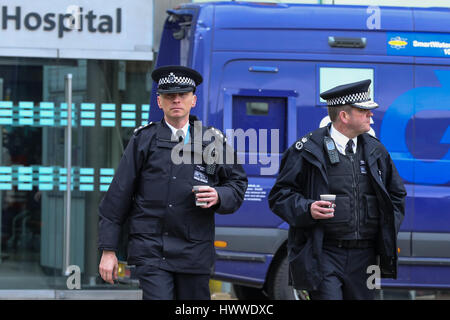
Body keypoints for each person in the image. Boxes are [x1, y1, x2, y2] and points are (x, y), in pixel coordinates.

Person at [98, 65, 248, 300]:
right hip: (152, 250)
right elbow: (117, 197)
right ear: (160, 102)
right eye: (169, 96)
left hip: (194, 250)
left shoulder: (212, 141)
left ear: (193, 100)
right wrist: (108, 250)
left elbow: (237, 184)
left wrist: (219, 195)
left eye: (182, 95)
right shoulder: (143, 140)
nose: (176, 100)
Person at [268, 79, 406, 300]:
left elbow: (397, 194)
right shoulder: (306, 150)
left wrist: (387, 227)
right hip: (323, 253)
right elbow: (279, 196)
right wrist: (308, 208)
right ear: (344, 116)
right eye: (364, 110)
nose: (371, 115)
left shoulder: (376, 151)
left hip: (367, 257)